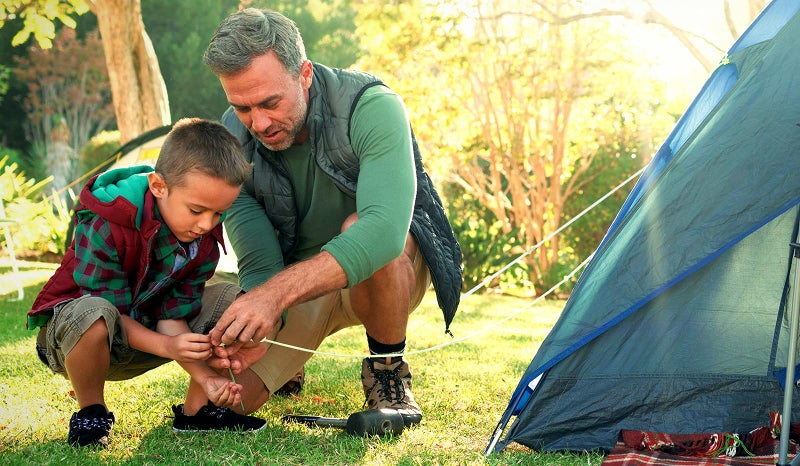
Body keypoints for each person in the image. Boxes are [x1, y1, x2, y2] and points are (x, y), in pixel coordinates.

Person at [202, 8, 463, 428]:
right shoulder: (233, 139)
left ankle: (388, 373)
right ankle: (291, 364)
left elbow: (384, 233)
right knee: (219, 406)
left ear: (304, 74)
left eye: (270, 102)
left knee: (363, 230)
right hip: (299, 287)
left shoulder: (372, 106)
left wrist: (274, 296)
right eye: (243, 107)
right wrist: (264, 320)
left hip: (386, 273)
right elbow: (259, 261)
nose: (259, 123)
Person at [28, 118, 264, 448]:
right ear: (158, 186)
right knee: (94, 311)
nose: (206, 224)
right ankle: (91, 413)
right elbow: (109, 311)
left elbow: (173, 313)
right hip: (76, 342)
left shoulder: (202, 238)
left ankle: (198, 411)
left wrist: (207, 377)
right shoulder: (107, 221)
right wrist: (168, 346)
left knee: (232, 300)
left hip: (145, 338)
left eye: (218, 213)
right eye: (197, 210)